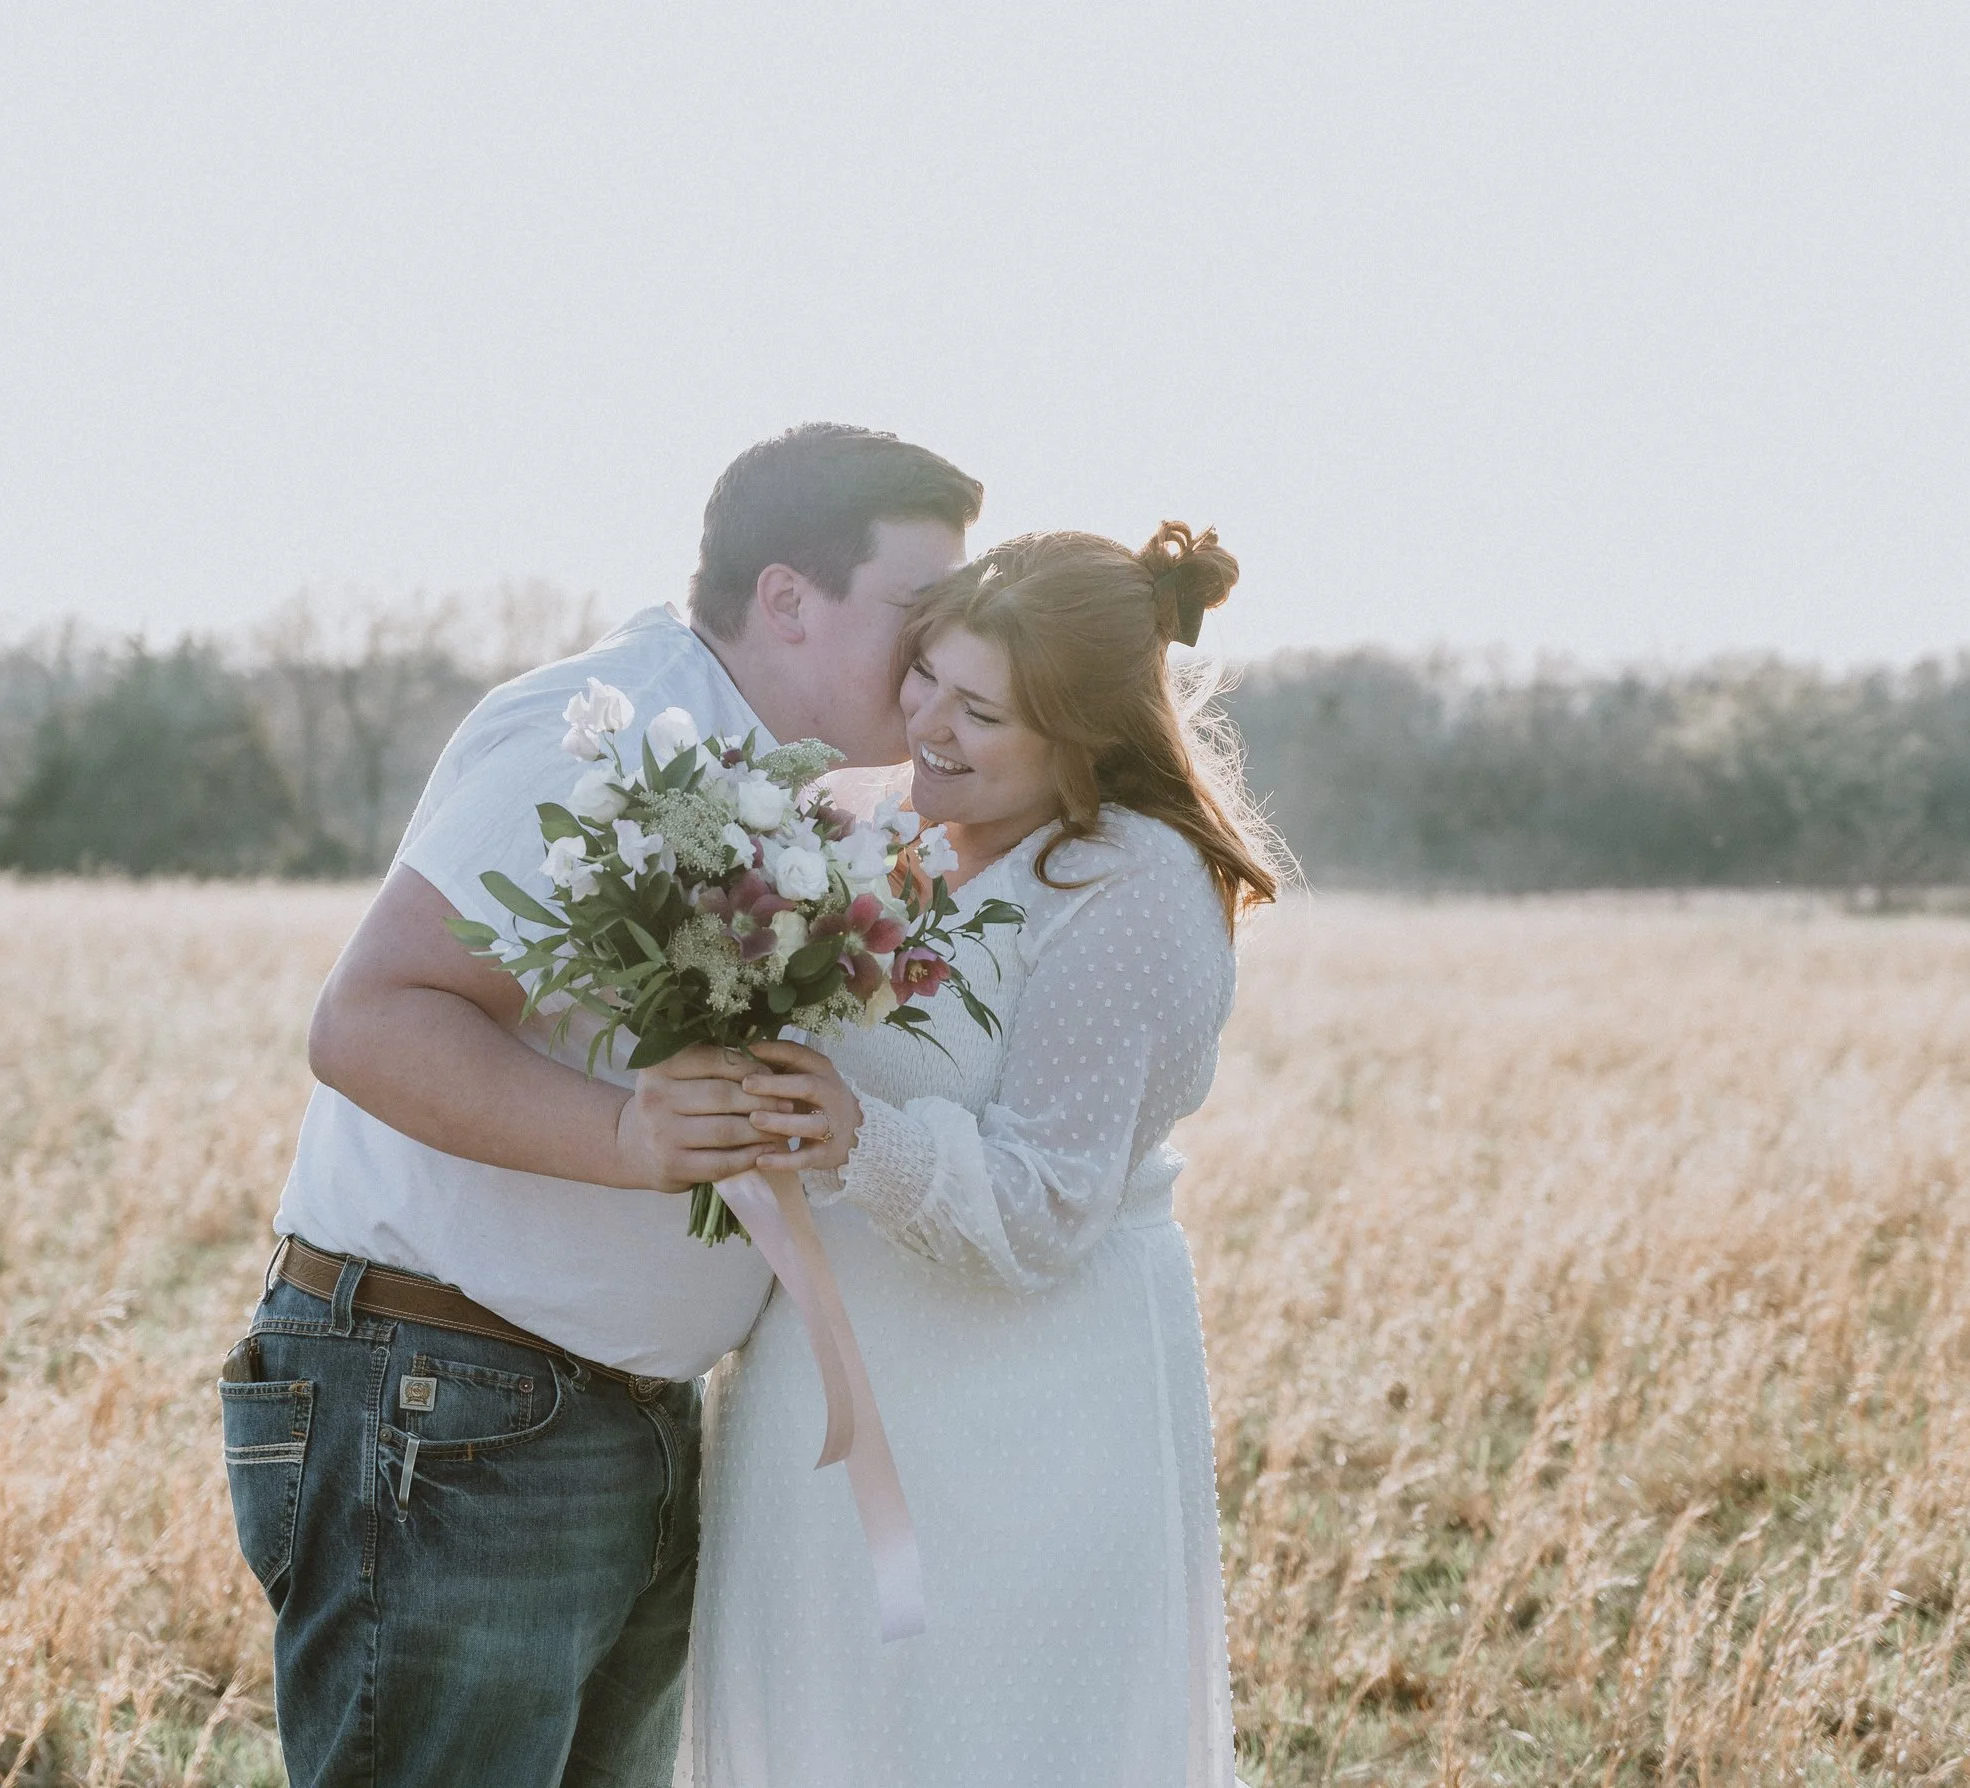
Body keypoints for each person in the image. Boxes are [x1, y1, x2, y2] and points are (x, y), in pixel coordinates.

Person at [218, 423, 981, 1787]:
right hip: (446, 1407)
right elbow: (369, 1018)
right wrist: (627, 1137)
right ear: (789, 600)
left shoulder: (822, 792)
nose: (938, 670)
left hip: (617, 1424)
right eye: (919, 621)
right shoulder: (611, 728)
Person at [683, 523, 1278, 1787]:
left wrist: (859, 1133)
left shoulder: (1132, 884)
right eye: (925, 680)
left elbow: (1053, 1201)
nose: (930, 728)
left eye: (981, 713)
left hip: (1028, 1412)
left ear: (1085, 739)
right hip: (825, 1388)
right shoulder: (865, 826)